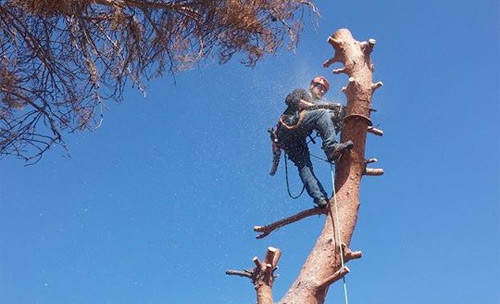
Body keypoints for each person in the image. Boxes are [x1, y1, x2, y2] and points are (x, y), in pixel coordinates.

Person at [275, 76, 353, 208]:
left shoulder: (317, 108)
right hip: (287, 126)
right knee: (322, 113)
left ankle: (321, 199)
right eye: (319, 87)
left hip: (294, 141)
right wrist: (314, 106)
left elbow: (325, 122)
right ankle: (331, 147)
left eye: (324, 90)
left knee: (305, 166)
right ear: (312, 85)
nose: (321, 91)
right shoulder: (302, 93)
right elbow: (290, 99)